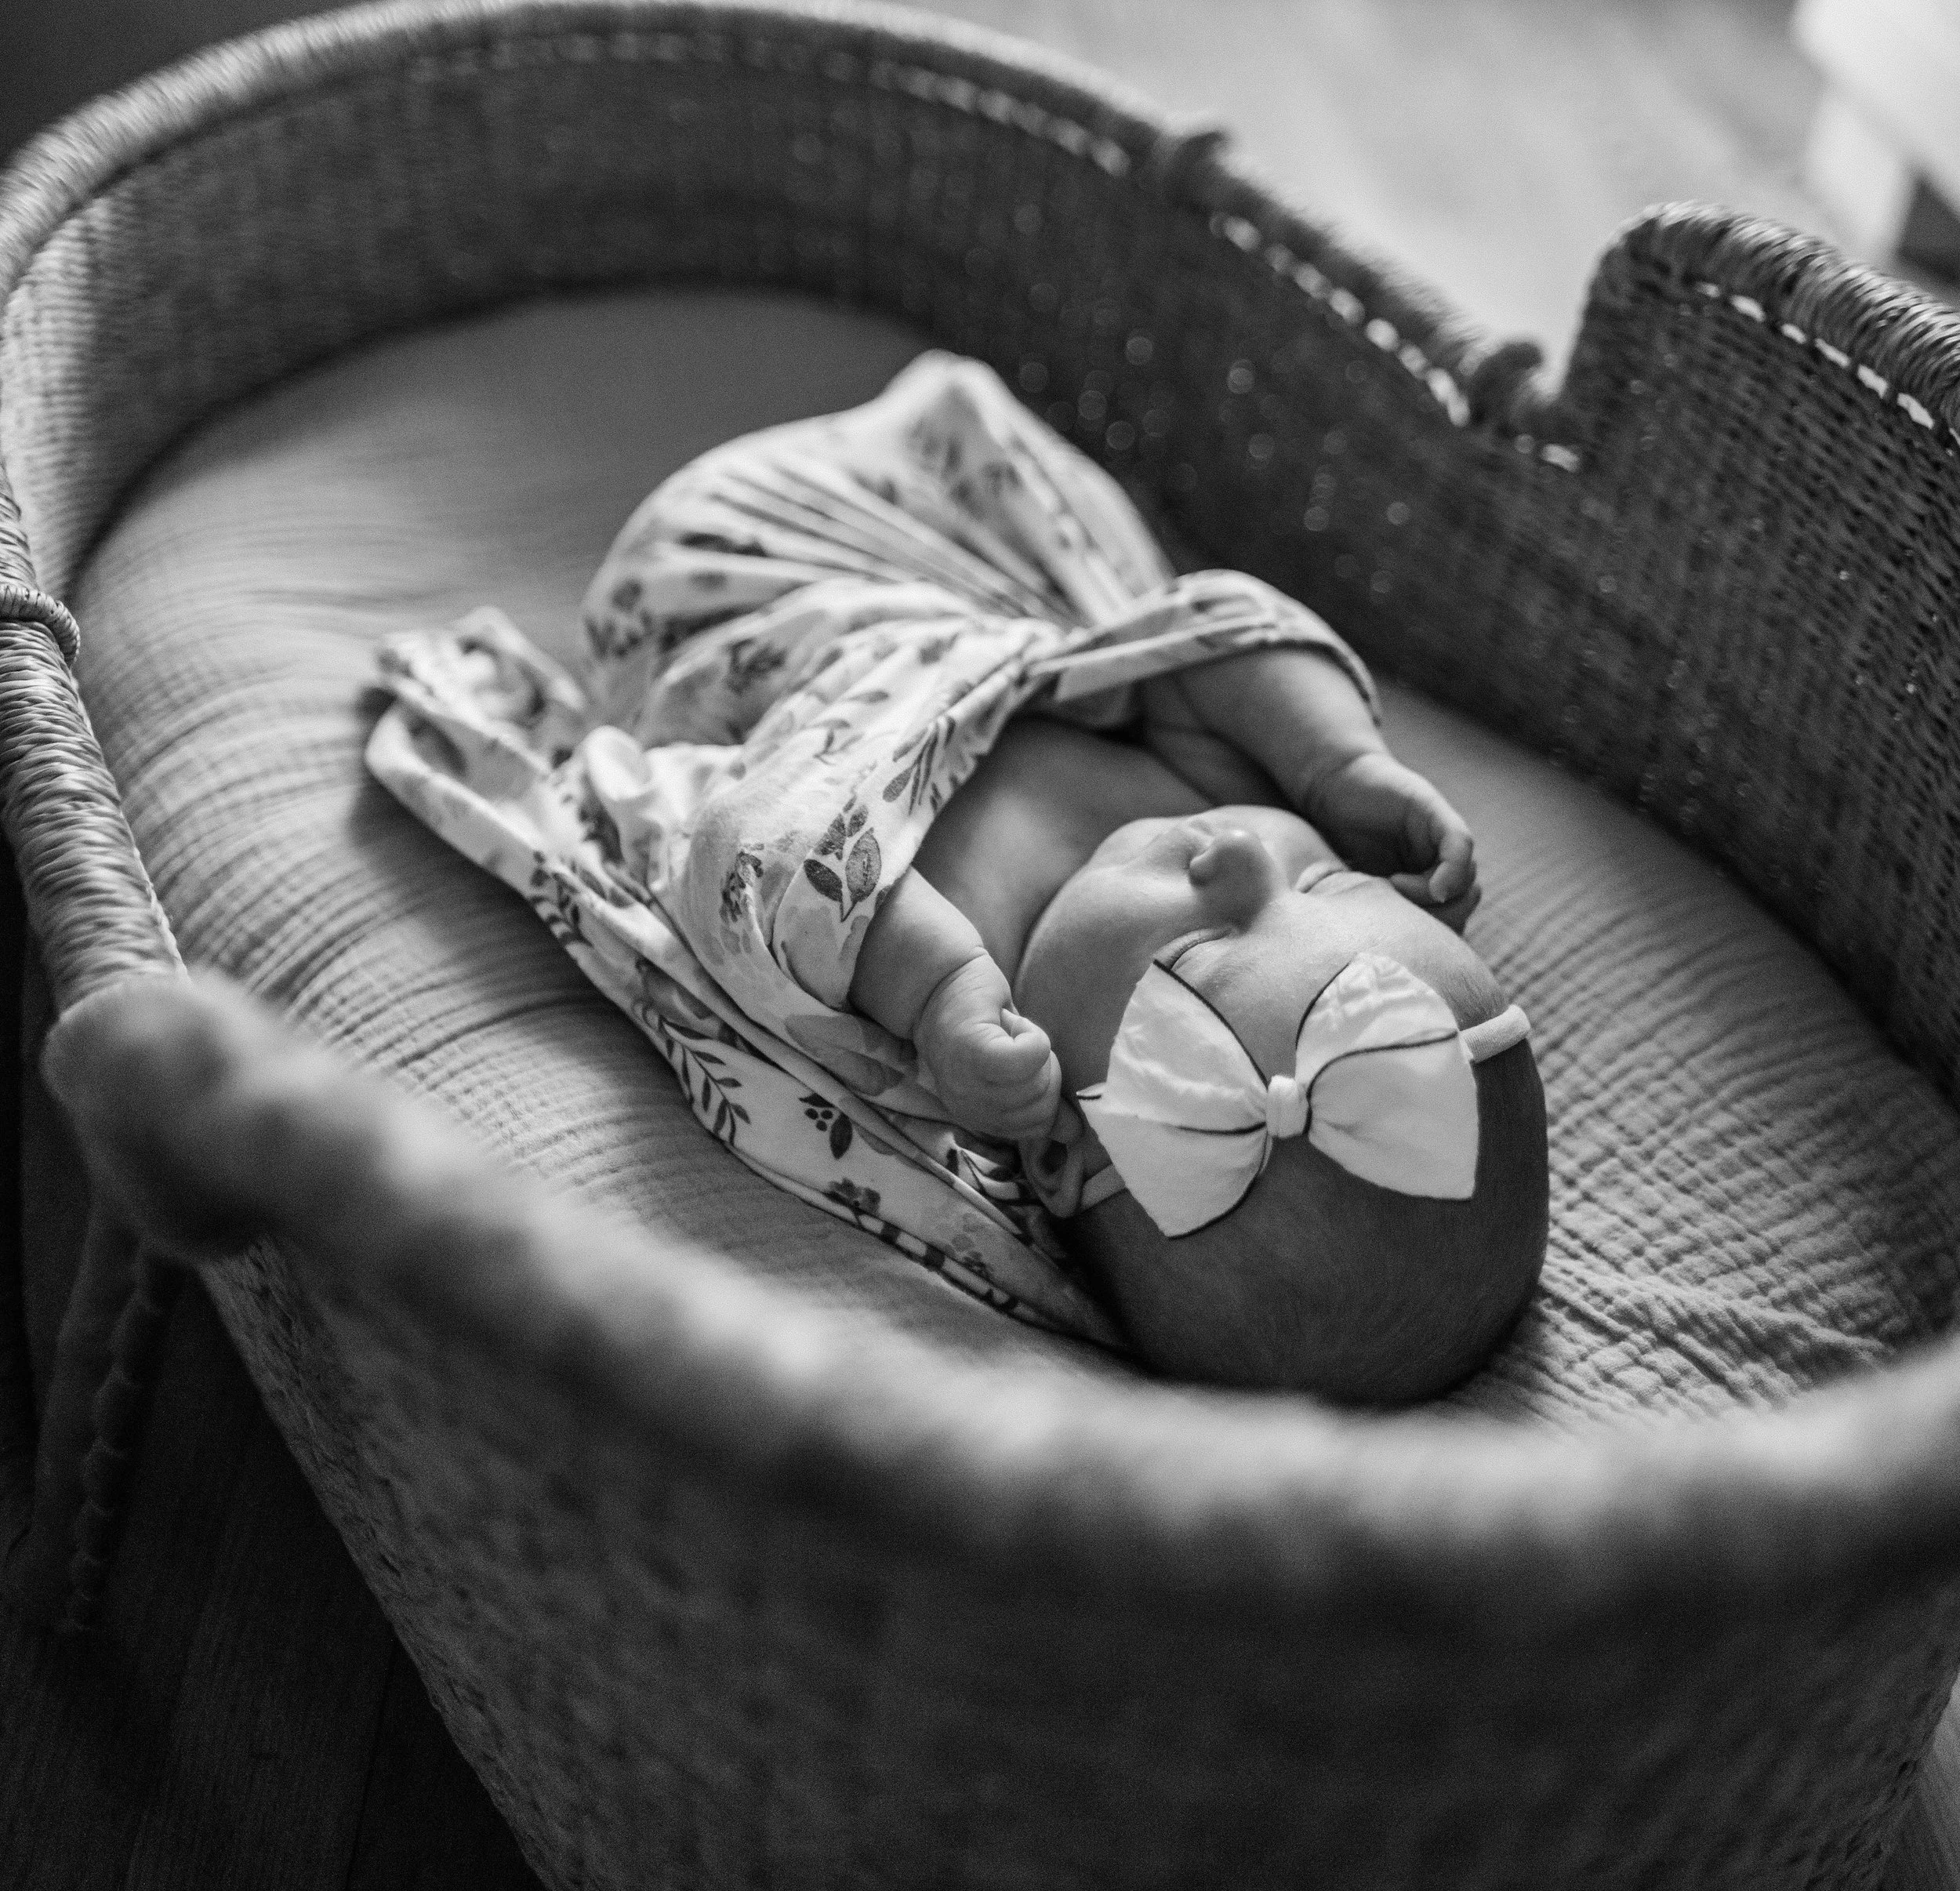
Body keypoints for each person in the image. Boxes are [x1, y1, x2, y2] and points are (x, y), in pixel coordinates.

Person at [372, 352, 1546, 1396]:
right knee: (1152, 612)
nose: (1241, 850)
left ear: (1060, 1147)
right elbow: (1206, 638)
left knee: (777, 844)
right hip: (956, 560)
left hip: (749, 615)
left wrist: (937, 998)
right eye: (1330, 880)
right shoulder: (1209, 789)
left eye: (1205, 945)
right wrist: (1337, 756)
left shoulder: (971, 1009)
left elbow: (761, 867)